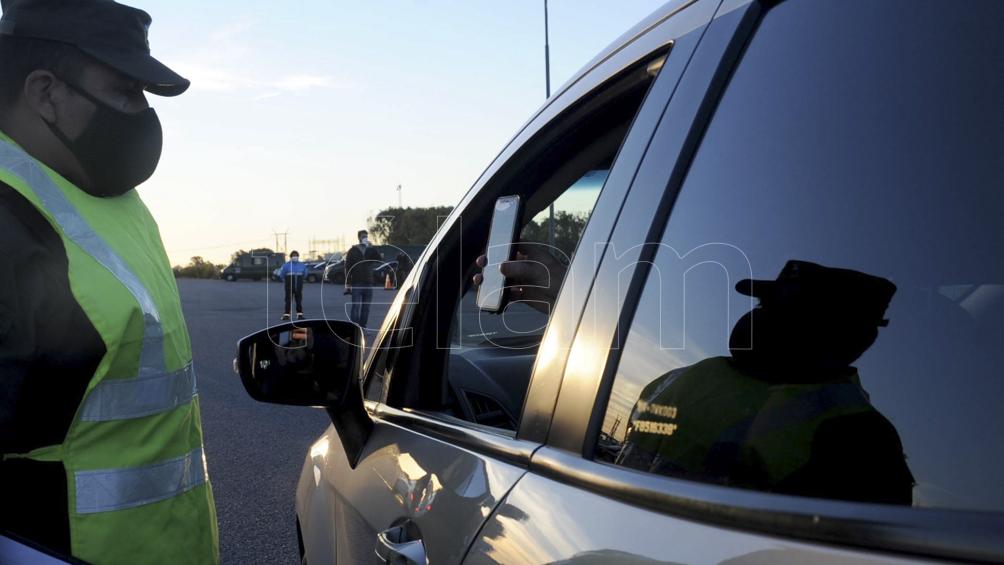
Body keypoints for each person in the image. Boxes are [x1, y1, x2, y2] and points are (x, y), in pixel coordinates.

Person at [0, 1, 218, 563]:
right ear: (45, 92)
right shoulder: (8, 225)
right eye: (125, 91)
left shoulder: (110, 196)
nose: (142, 114)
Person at [616, 260, 915, 505]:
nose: (759, 319)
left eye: (790, 313)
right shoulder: (686, 376)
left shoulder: (862, 441)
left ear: (851, 339)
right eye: (764, 305)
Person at [344, 229, 382, 328]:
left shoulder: (370, 250)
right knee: (356, 306)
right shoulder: (353, 251)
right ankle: (354, 327)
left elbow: (379, 259)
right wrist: (348, 283)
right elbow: (348, 267)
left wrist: (372, 248)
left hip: (369, 282)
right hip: (357, 283)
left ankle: (363, 327)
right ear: (359, 238)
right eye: (363, 236)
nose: (365, 238)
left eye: (366, 236)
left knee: (366, 307)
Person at [279, 250, 307, 320]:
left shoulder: (302, 265)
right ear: (291, 257)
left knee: (299, 301)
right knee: (288, 301)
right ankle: (286, 315)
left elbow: (305, 274)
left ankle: (300, 315)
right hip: (289, 287)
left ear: (298, 256)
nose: (295, 257)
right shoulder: (286, 265)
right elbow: (281, 275)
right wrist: (286, 281)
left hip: (299, 286)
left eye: (296, 255)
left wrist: (301, 280)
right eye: (294, 255)